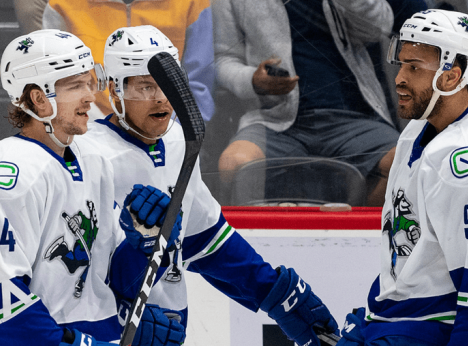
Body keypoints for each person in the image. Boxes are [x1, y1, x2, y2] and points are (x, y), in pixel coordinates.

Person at [74, 25, 339, 346]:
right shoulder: (86, 156)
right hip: (112, 334)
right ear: (114, 91)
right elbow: (77, 278)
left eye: (167, 85)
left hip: (169, 329)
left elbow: (206, 240)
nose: (160, 98)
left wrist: (271, 291)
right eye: (144, 87)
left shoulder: (176, 140)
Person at [0, 29, 187, 346]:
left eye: (89, 81)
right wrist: (78, 343)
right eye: (75, 86)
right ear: (38, 99)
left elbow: (116, 279)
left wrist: (149, 244)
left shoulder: (93, 161)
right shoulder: (5, 175)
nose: (90, 96)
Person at [336, 10, 468, 345]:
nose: (399, 78)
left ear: (451, 77)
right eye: (402, 64)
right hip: (396, 321)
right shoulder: (419, 128)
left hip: (429, 329)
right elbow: (410, 261)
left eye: (414, 67)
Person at [213, 0, 400, 206]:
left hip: (353, 117)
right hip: (274, 120)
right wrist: (253, 81)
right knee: (234, 163)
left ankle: (352, 235)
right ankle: (261, 238)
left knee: (402, 163)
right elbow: (222, 59)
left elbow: (379, 29)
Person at [40, 0, 215, 122]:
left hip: (166, 121)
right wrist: (97, 127)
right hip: (89, 123)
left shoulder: (192, 1)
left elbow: (198, 84)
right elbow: (58, 82)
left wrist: (169, 129)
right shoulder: (62, 3)